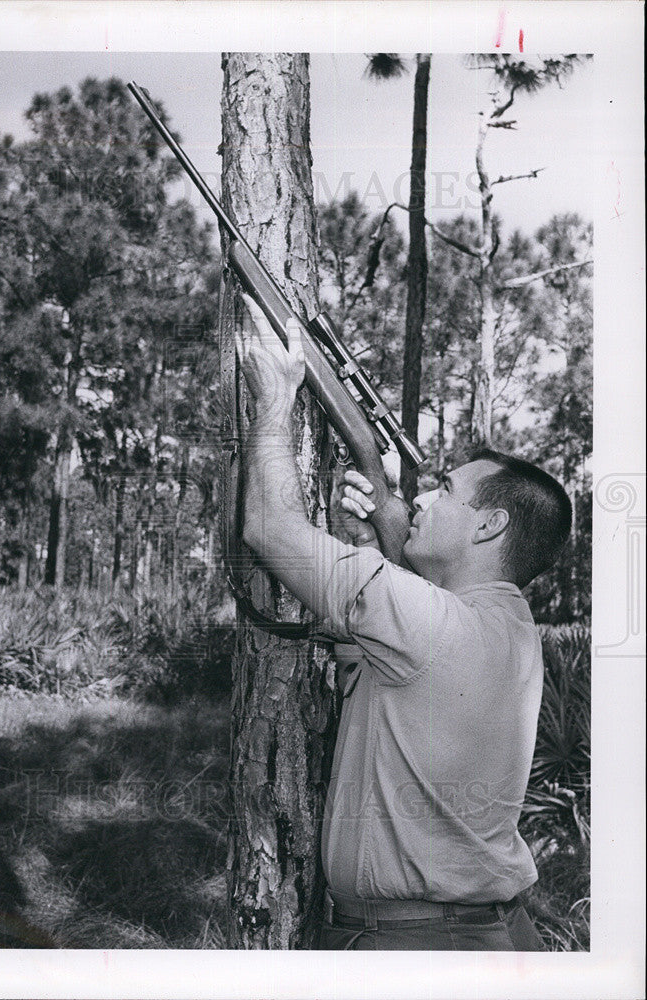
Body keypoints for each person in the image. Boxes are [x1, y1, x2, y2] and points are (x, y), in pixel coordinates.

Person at [235, 294, 572, 951]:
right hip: (491, 937)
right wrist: (391, 523)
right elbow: (433, 621)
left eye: (443, 489)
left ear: (489, 523)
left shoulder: (426, 620)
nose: (421, 495)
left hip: (414, 951)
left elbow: (268, 528)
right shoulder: (513, 626)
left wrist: (277, 399)